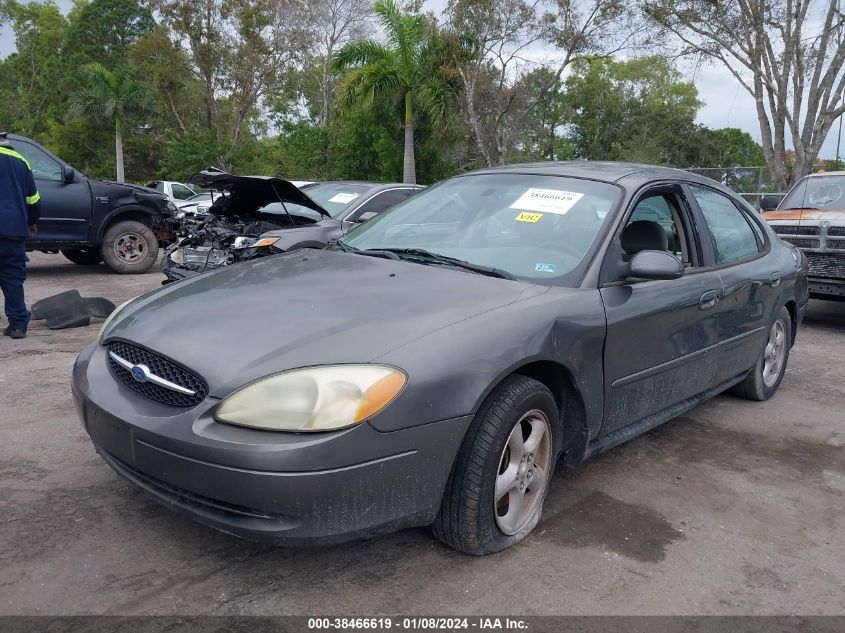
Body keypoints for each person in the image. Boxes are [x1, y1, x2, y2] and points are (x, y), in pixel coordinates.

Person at [0, 136, 40, 339]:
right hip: (12, 230)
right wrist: (32, 221)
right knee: (12, 278)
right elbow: (33, 198)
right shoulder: (19, 160)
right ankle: (17, 325)